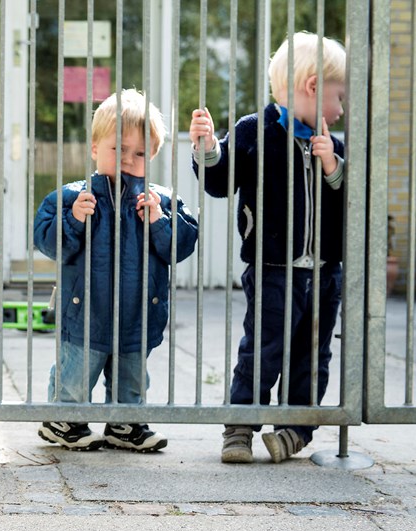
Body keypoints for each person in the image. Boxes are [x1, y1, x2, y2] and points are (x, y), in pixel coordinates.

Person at [189, 32, 347, 464]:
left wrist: (332, 165)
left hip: (324, 272)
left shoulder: (333, 143)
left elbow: (352, 204)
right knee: (263, 346)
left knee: (312, 354)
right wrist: (207, 150)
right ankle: (240, 427)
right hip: (273, 266)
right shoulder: (253, 130)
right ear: (313, 87)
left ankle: (295, 430)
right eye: (339, 96)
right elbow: (220, 183)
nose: (341, 108)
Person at [35, 89, 199, 453]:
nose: (128, 159)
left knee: (132, 373)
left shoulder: (161, 202)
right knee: (76, 370)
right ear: (95, 148)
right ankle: (63, 418)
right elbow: (47, 241)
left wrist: (159, 221)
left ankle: (126, 422)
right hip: (86, 309)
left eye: (139, 153)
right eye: (118, 149)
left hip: (138, 311)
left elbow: (182, 246)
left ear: (152, 155)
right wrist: (74, 219)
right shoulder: (72, 197)